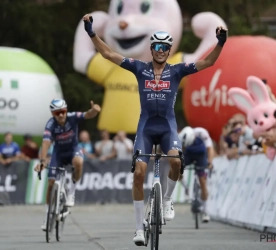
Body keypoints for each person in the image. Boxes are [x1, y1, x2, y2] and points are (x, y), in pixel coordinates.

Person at [82, 14, 227, 246]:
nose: (161, 50)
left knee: (176, 162)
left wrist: (220, 42)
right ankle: (139, 229)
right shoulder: (139, 68)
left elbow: (207, 62)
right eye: (157, 46)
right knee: (139, 173)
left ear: (169, 50)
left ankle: (167, 199)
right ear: (152, 49)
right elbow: (108, 54)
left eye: (165, 47)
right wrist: (91, 32)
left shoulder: (177, 70)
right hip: (146, 127)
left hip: (168, 126)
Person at [34, 98, 100, 231]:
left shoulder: (72, 117)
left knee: (79, 162)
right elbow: (46, 143)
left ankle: (71, 193)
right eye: (56, 113)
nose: (60, 115)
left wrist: (95, 111)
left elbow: (88, 115)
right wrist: (42, 161)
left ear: (66, 111)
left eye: (62, 112)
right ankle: (47, 216)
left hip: (73, 150)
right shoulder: (50, 124)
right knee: (51, 183)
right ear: (53, 114)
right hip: (58, 154)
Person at [178, 126, 213, 223]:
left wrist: (209, 162)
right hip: (187, 154)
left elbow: (210, 148)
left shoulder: (202, 133)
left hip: (200, 155)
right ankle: (186, 187)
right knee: (177, 168)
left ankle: (205, 211)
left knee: (203, 182)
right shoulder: (181, 137)